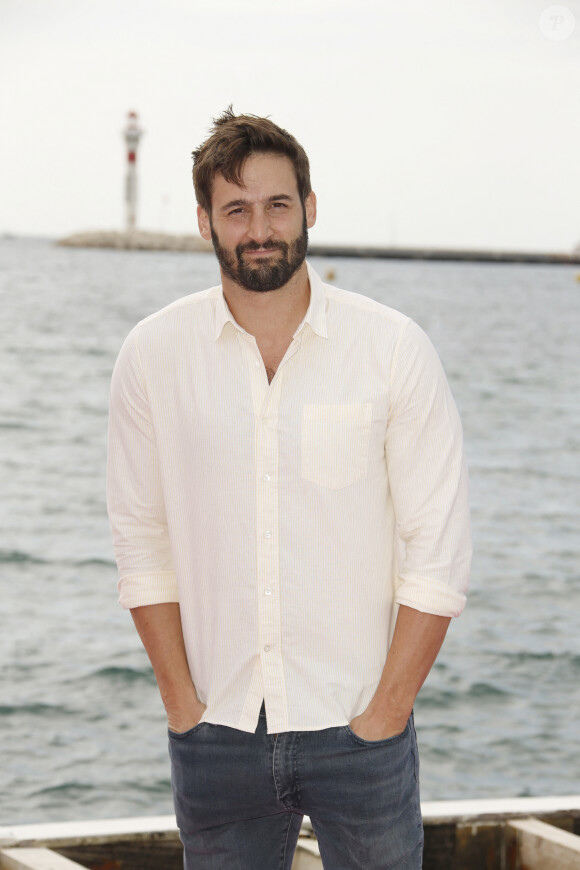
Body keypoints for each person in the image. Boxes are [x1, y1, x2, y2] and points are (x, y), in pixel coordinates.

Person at [107, 107, 471, 870]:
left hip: (360, 731)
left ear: (309, 208)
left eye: (277, 204)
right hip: (217, 734)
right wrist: (183, 707)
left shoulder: (391, 349)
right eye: (236, 209)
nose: (259, 227)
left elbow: (437, 548)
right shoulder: (153, 356)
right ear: (205, 221)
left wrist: (387, 712)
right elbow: (143, 542)